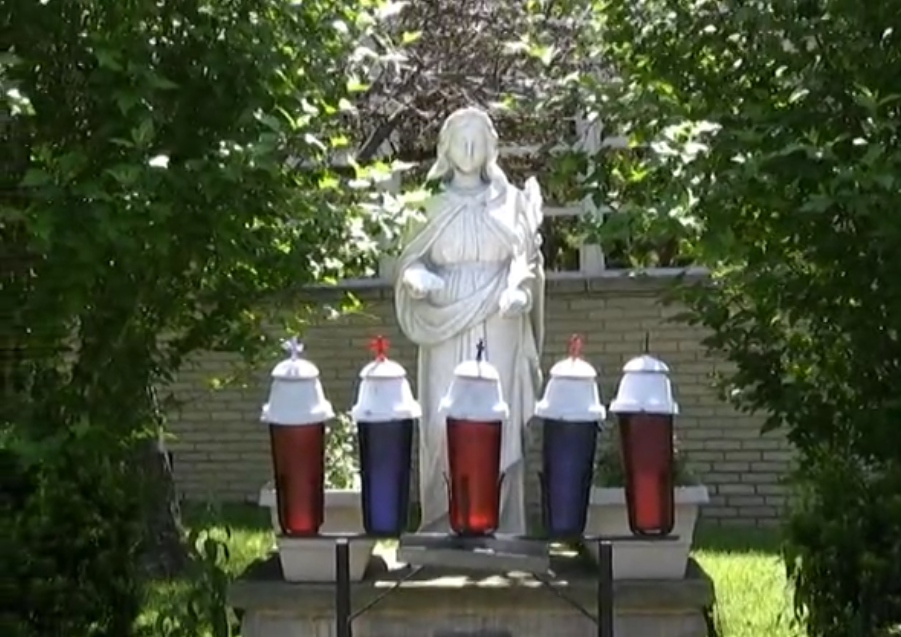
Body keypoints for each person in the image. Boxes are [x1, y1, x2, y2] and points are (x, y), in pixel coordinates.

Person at [394, 106, 545, 534]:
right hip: (443, 316)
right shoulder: (429, 205)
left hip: (499, 315)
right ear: (445, 147)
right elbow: (410, 261)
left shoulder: (510, 202)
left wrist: (520, 290)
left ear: (491, 148)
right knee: (444, 415)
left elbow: (525, 259)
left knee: (499, 414)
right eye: (460, 139)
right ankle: (443, 516)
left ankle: (501, 520)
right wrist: (417, 276)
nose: (469, 147)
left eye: (477, 140)